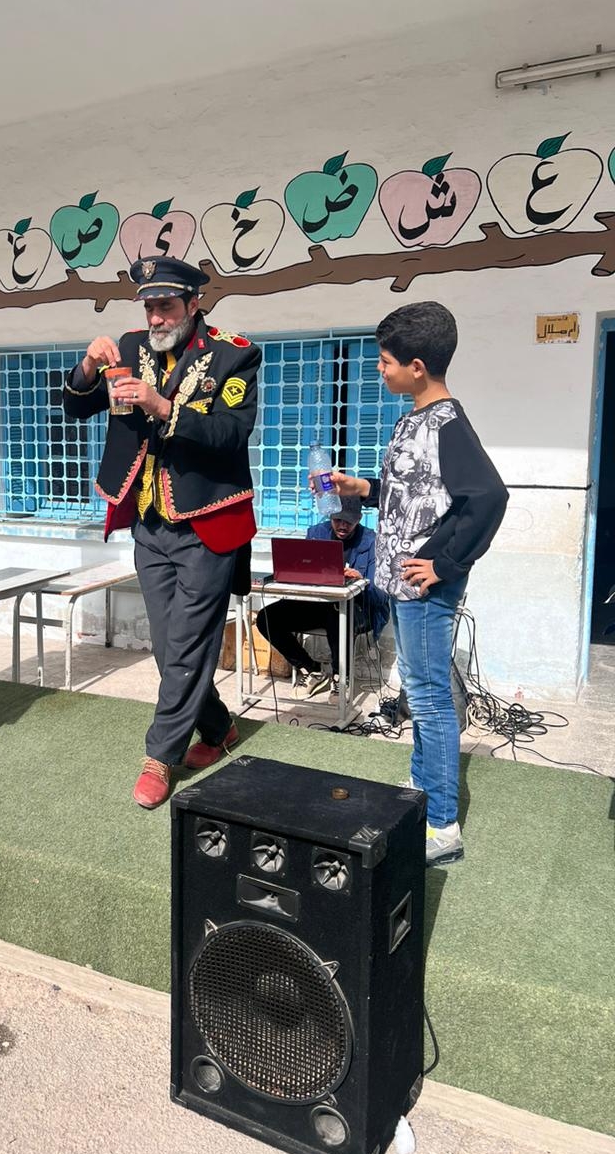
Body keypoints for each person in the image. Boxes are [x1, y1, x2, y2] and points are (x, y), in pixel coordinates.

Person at [62, 257, 261, 809]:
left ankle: (161, 754)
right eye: (148, 306)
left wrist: (161, 405)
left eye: (166, 305)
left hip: (207, 522)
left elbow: (229, 433)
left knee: (188, 644)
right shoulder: (127, 347)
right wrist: (85, 368)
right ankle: (218, 728)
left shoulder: (235, 353)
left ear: (194, 304)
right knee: (167, 645)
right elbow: (74, 408)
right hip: (149, 522)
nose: (155, 316)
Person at [329, 301, 508, 866]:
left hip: (425, 590)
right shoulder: (414, 417)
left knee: (429, 700)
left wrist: (444, 565)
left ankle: (442, 826)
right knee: (420, 693)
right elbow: (418, 496)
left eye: (384, 363)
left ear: (417, 366)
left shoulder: (449, 422)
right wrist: (364, 488)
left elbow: (488, 498)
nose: (378, 372)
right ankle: (421, 794)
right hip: (402, 588)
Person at [254, 495, 389, 698]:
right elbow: (305, 572)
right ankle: (311, 669)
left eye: (348, 522)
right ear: (330, 516)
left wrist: (361, 580)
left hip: (360, 609)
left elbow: (381, 597)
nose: (343, 526)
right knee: (266, 618)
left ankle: (340, 678)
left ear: (359, 519)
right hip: (319, 604)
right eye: (337, 520)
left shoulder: (372, 542)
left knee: (337, 612)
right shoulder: (317, 533)